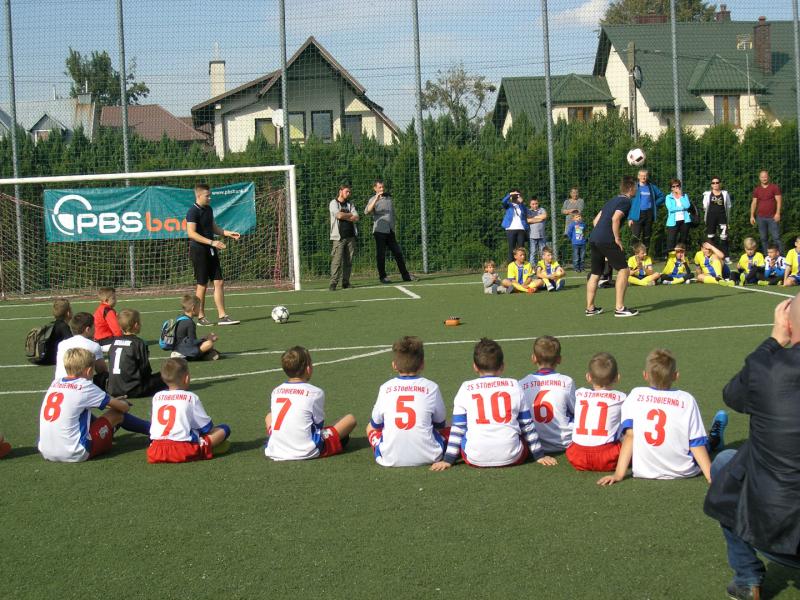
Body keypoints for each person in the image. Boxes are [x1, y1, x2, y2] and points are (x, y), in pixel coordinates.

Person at [703, 297, 800, 600]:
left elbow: (732, 395)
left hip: (772, 529)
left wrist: (772, 341)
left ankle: (747, 580)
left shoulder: (764, 367)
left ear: (787, 324)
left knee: (726, 463)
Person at [597, 348, 727, 485]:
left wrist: (618, 474)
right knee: (701, 441)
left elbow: (630, 436)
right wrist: (710, 476)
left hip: (645, 470)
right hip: (683, 470)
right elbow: (696, 443)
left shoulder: (635, 395)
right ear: (676, 376)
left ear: (645, 375)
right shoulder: (687, 399)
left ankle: (713, 440)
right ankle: (714, 440)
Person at [430, 338, 558, 471]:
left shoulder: (465, 388)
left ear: (475, 366)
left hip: (475, 458)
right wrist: (539, 455)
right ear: (502, 366)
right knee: (519, 432)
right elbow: (527, 424)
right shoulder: (514, 385)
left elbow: (458, 428)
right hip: (513, 457)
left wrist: (448, 460)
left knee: (463, 429)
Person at [38, 348, 142, 462]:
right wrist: (120, 403)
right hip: (75, 452)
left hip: (45, 450)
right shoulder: (84, 386)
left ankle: (108, 431)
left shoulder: (56, 382)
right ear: (88, 371)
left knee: (84, 413)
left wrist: (112, 402)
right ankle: (151, 430)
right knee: (118, 414)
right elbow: (124, 408)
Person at [366, 336, 449, 467]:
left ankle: (391, 448)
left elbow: (376, 424)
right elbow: (440, 423)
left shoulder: (385, 388)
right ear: (422, 364)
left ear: (394, 365)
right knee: (452, 428)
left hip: (389, 458)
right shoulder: (431, 387)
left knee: (370, 427)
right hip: (431, 455)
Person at [264, 346, 356, 461]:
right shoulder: (315, 392)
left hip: (275, 449)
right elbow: (318, 425)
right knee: (350, 419)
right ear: (308, 369)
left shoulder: (276, 391)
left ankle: (281, 438)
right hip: (307, 449)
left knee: (269, 416)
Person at [147, 358, 231, 463]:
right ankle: (205, 448)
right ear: (186, 378)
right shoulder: (191, 397)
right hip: (182, 450)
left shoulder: (157, 397)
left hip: (155, 450)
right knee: (224, 429)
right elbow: (206, 428)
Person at [186, 183, 240, 326]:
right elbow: (191, 233)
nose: (210, 198)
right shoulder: (192, 211)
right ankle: (201, 317)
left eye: (210, 195)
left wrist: (227, 233)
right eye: (207, 196)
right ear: (199, 196)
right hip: (199, 250)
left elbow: (213, 227)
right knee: (202, 284)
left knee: (219, 281)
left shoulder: (208, 209)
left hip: (210, 249)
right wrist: (212, 242)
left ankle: (223, 316)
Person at [586, 175, 638, 317]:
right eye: (636, 187)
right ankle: (620, 308)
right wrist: (617, 238)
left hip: (594, 238)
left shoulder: (612, 200)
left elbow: (595, 221)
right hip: (607, 239)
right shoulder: (626, 201)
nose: (637, 190)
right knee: (624, 270)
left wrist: (601, 234)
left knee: (595, 273)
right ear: (630, 188)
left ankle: (590, 308)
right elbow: (615, 219)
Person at [566, 352, 627, 472]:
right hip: (607, 457)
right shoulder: (621, 398)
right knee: (630, 433)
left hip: (576, 456)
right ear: (617, 377)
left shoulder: (579, 393)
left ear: (588, 377)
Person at [519, 336, 576, 453]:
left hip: (534, 443)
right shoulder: (567, 381)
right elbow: (576, 411)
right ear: (559, 359)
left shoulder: (522, 383)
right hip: (565, 442)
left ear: (533, 358)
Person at [107, 309, 169, 399]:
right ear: (136, 325)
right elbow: (145, 371)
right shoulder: (139, 343)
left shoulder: (114, 342)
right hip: (133, 389)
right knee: (166, 376)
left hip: (113, 389)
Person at [365, 179, 415, 284]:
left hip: (390, 231)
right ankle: (383, 277)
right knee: (381, 255)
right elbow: (367, 211)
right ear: (375, 188)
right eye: (379, 187)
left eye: (383, 187)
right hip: (379, 231)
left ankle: (405, 276)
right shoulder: (372, 199)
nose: (382, 189)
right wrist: (376, 199)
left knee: (398, 253)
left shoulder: (388, 198)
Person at [55, 312, 108, 389]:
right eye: (94, 326)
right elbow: (102, 371)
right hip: (79, 388)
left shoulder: (62, 344)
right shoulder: (93, 346)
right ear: (88, 329)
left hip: (58, 386)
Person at [329, 184, 359, 291]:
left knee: (348, 261)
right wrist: (349, 215)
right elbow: (338, 215)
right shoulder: (333, 203)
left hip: (351, 237)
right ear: (340, 191)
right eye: (347, 191)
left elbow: (356, 217)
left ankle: (346, 282)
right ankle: (333, 283)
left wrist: (344, 215)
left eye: (349, 192)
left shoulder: (350, 204)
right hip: (339, 238)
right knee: (337, 261)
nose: (348, 193)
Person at [171, 295, 219, 361]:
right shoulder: (189, 323)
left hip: (176, 350)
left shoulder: (179, 318)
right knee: (209, 344)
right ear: (193, 308)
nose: (200, 309)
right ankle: (203, 356)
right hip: (183, 353)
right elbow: (192, 343)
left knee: (207, 344)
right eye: (199, 307)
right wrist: (207, 339)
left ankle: (208, 353)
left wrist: (205, 338)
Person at [628, 169, 665, 251]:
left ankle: (645, 255)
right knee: (635, 237)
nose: (643, 177)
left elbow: (662, 196)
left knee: (647, 237)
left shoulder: (651, 187)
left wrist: (654, 204)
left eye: (645, 176)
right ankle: (634, 256)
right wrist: (630, 218)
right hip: (637, 215)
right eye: (641, 176)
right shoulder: (634, 187)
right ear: (638, 177)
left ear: (647, 177)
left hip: (649, 214)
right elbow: (630, 203)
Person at [750, 170, 782, 255]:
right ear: (759, 178)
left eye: (765, 177)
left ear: (768, 177)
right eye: (762, 177)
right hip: (760, 218)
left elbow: (779, 201)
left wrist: (778, 213)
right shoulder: (757, 190)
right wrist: (752, 216)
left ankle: (780, 257)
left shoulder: (774, 187)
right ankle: (766, 257)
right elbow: (754, 203)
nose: (764, 178)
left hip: (772, 217)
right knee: (763, 239)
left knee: (776, 238)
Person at [702, 176, 732, 259]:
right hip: (711, 219)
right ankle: (711, 256)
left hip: (722, 218)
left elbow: (729, 206)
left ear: (720, 184)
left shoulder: (725, 194)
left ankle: (726, 257)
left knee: (724, 237)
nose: (715, 184)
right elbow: (705, 207)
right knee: (710, 237)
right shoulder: (707, 194)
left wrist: (728, 220)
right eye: (713, 183)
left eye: (717, 182)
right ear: (711, 185)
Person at [500, 189, 529, 264]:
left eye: (517, 195)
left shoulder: (522, 205)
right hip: (510, 229)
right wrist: (510, 194)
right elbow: (503, 202)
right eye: (514, 195)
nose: (515, 197)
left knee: (521, 249)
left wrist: (521, 202)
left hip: (521, 229)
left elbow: (525, 213)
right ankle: (511, 267)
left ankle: (522, 266)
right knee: (511, 249)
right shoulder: (508, 205)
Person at [42, 298, 73, 366]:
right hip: (54, 357)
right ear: (68, 313)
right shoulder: (63, 326)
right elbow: (72, 342)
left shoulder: (54, 324)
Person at [664, 179, 693, 250]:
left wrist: (680, 196)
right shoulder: (668, 197)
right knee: (671, 241)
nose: (676, 188)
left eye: (677, 186)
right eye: (673, 186)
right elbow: (670, 208)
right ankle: (671, 255)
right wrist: (682, 208)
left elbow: (687, 206)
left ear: (680, 186)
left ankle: (681, 255)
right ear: (671, 188)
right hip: (673, 222)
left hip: (685, 221)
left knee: (683, 240)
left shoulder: (684, 195)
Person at [93, 287, 122, 351]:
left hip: (97, 340)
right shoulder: (108, 310)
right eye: (113, 298)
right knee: (132, 342)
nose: (116, 300)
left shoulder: (100, 308)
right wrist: (122, 338)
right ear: (106, 300)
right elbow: (116, 330)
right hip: (105, 341)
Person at [527, 197, 548, 264]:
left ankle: (543, 265)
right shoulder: (528, 211)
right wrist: (539, 219)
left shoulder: (542, 209)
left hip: (542, 235)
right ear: (530, 204)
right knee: (533, 252)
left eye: (536, 203)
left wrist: (533, 218)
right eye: (533, 204)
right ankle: (532, 266)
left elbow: (544, 216)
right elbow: (528, 220)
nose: (535, 205)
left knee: (543, 251)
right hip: (532, 236)